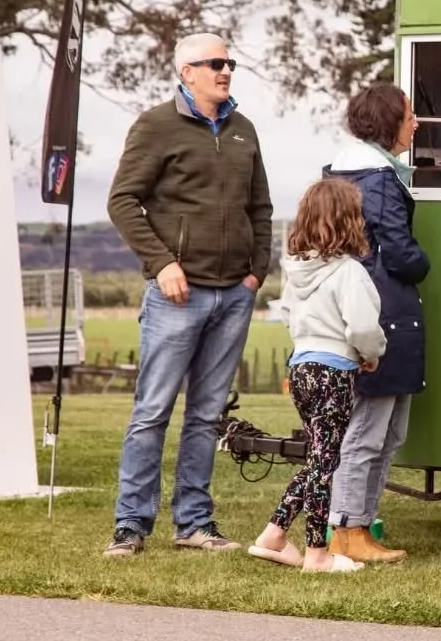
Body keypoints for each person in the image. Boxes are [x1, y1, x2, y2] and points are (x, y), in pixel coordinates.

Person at [103, 32, 273, 557]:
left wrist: (255, 272)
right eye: (215, 63)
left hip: (233, 295)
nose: (225, 71)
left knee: (205, 416)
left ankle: (194, 524)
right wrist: (162, 264)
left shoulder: (244, 131)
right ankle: (130, 527)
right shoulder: (155, 126)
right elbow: (122, 201)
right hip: (177, 295)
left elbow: (261, 210)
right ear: (186, 71)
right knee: (152, 411)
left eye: (229, 64)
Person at [248, 179, 386, 574]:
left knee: (317, 459)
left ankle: (274, 534)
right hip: (334, 373)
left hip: (303, 367)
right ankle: (316, 553)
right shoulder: (350, 273)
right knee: (326, 465)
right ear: (349, 222)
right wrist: (371, 353)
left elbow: (290, 316)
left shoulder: (297, 270)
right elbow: (361, 327)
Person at [322, 83, 428, 564]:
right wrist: (422, 262)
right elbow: (398, 248)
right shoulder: (379, 178)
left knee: (386, 432)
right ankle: (348, 528)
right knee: (369, 432)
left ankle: (358, 525)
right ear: (389, 122)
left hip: (375, 308)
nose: (416, 122)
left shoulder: (345, 170)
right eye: (409, 115)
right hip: (383, 310)